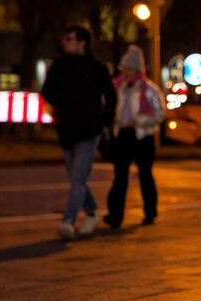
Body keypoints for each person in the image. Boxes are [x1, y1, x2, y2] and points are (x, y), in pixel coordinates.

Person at [41, 25, 116, 240]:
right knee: (77, 177)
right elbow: (47, 92)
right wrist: (63, 104)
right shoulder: (59, 66)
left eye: (69, 38)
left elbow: (111, 96)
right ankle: (91, 212)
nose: (65, 42)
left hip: (89, 131)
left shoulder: (95, 68)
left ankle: (68, 221)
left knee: (78, 178)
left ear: (82, 42)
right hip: (66, 130)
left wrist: (105, 122)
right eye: (65, 38)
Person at [103, 45, 166, 228]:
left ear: (137, 70)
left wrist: (139, 120)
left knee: (145, 174)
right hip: (122, 135)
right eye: (125, 69)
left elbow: (160, 113)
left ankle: (149, 212)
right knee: (120, 175)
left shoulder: (149, 90)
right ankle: (115, 214)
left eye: (129, 69)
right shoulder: (118, 88)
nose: (126, 72)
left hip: (142, 136)